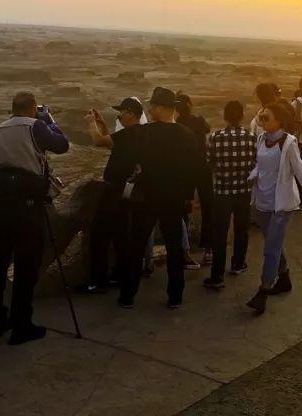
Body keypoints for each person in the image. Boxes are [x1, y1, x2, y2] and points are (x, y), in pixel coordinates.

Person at [0, 92, 69, 344]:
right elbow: (62, 145)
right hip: (28, 208)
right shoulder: (36, 126)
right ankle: (21, 325)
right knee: (27, 267)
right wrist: (49, 120)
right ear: (31, 109)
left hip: (1, 208)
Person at [119, 87, 202, 309]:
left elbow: (131, 161)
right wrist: (187, 197)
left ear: (162, 108)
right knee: (175, 248)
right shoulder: (186, 135)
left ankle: (127, 295)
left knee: (136, 247)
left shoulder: (144, 133)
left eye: (153, 106)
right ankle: (175, 296)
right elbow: (193, 170)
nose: (150, 109)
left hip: (146, 198)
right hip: (173, 199)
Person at [245, 100, 302, 315]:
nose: (261, 121)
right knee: (273, 243)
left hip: (282, 205)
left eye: (266, 118)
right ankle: (284, 277)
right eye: (260, 117)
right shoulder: (261, 139)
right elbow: (260, 166)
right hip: (262, 203)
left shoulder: (288, 143)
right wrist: (252, 177)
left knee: (270, 249)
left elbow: (301, 173)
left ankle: (263, 290)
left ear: (279, 121)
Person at [80, 96, 145, 294]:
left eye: (122, 112)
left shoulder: (127, 134)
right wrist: (102, 124)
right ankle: (120, 275)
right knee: (121, 237)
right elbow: (112, 143)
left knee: (99, 236)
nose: (120, 115)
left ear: (131, 113)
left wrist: (91, 123)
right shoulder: (141, 133)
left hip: (113, 191)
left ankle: (99, 281)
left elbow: (99, 142)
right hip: (127, 191)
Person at [204, 100, 257, 290]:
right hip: (243, 191)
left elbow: (209, 163)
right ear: (242, 116)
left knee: (220, 233)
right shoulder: (251, 138)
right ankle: (237, 264)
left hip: (222, 191)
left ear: (225, 116)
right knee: (242, 229)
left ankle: (217, 275)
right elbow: (254, 165)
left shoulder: (215, 138)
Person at [176, 93, 213, 266]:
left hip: (184, 171)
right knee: (207, 206)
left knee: (183, 208)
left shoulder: (177, 125)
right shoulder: (199, 120)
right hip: (202, 168)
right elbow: (207, 129)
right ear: (190, 105)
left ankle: (184, 249)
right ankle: (208, 249)